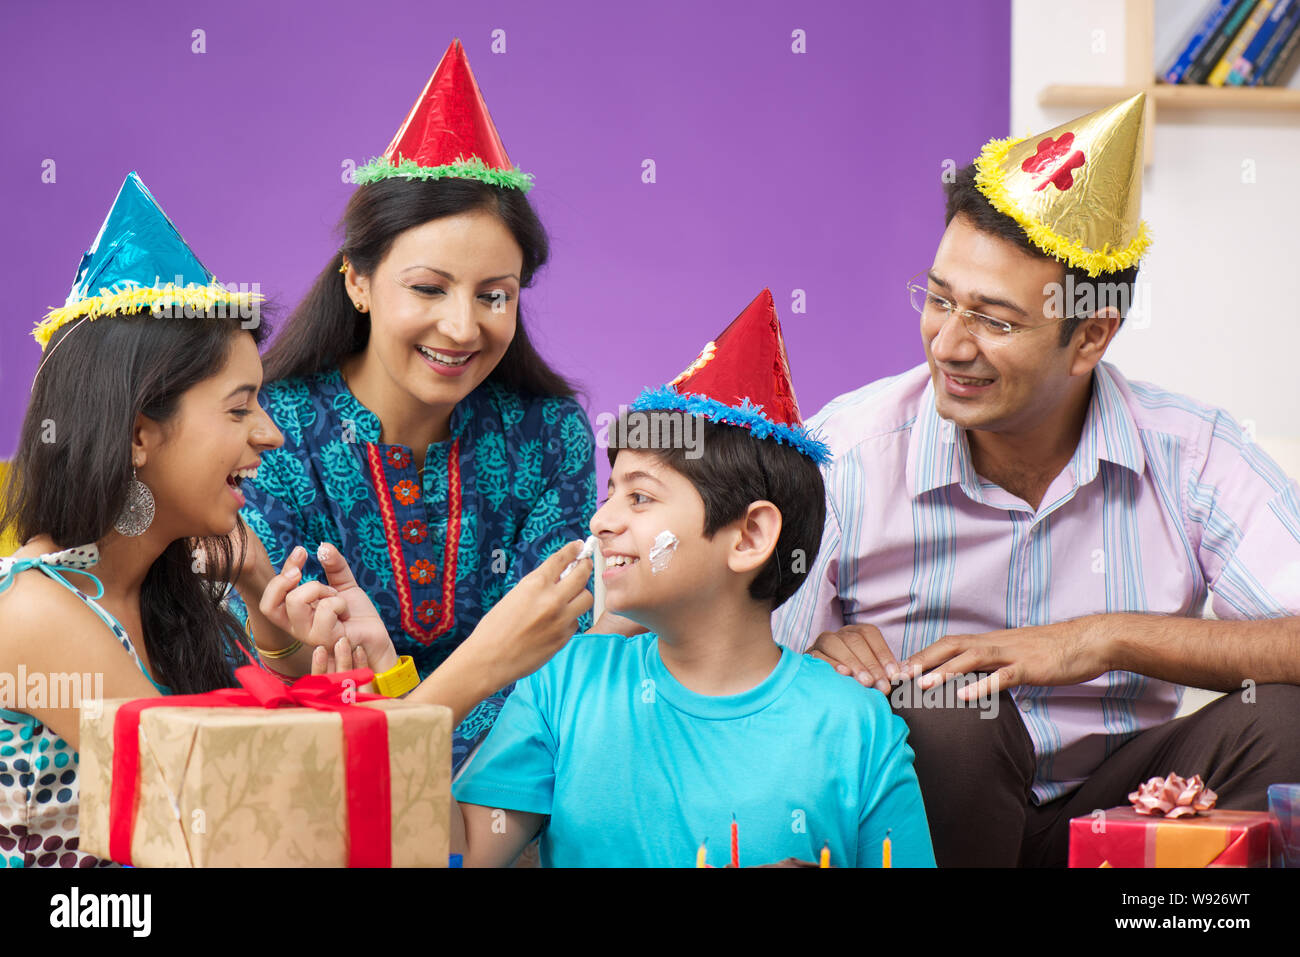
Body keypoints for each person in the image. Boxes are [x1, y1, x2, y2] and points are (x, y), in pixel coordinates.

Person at [773, 93, 1300, 866]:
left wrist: (1102, 638)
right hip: (921, 812)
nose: (948, 343)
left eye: (994, 319)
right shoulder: (849, 452)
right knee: (947, 707)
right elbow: (721, 672)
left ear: (1090, 334)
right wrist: (814, 664)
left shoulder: (1192, 454)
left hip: (1123, 807)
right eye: (940, 299)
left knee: (1285, 721)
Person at [295, 290, 936, 866]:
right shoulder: (563, 684)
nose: (600, 521)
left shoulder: (855, 725)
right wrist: (387, 684)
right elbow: (459, 854)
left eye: (640, 498)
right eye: (609, 493)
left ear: (749, 537)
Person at [227, 40, 628, 773]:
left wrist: (414, 716)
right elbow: (286, 685)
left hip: (509, 801)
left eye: (493, 295)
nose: (462, 327)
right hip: (317, 794)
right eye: (428, 288)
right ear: (358, 281)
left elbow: (546, 667)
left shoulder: (549, 437)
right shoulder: (271, 437)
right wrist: (459, 679)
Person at [0, 172, 282, 867]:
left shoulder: (176, 593)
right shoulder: (37, 613)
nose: (269, 433)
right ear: (136, 434)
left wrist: (269, 608)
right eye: (240, 407)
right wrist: (479, 670)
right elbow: (233, 825)